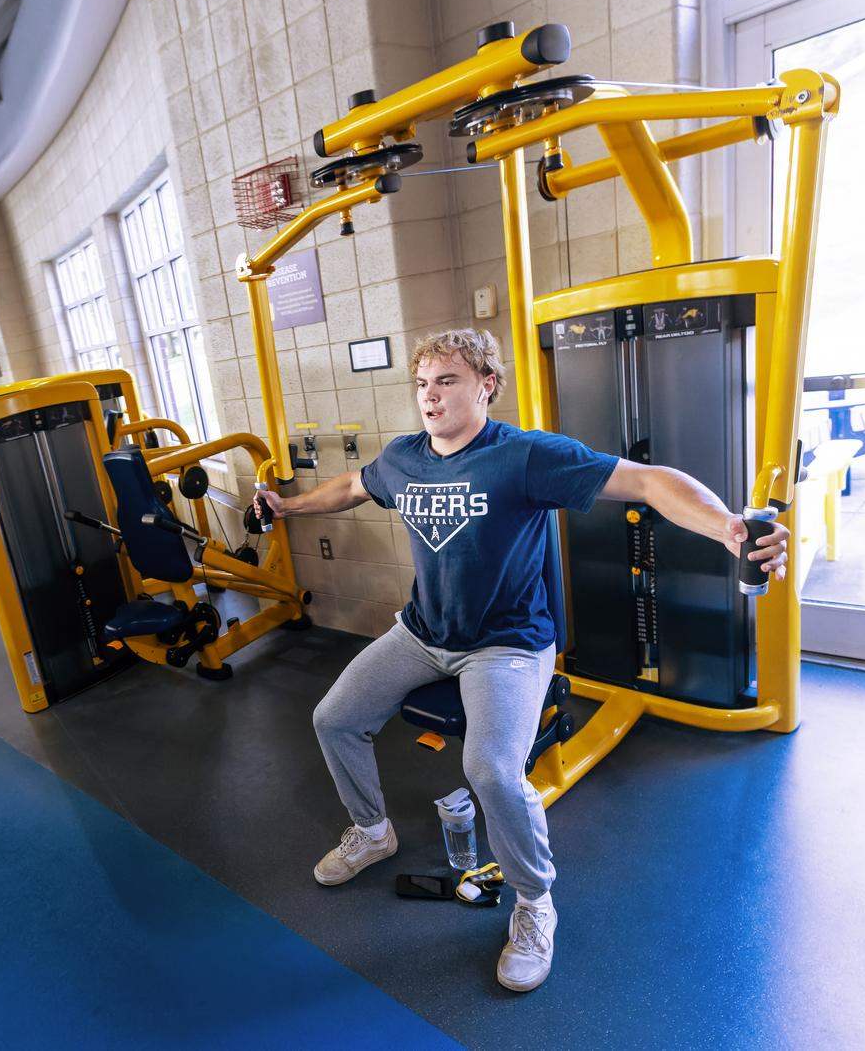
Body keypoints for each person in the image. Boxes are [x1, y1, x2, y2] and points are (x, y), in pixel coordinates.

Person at [252, 328, 788, 993]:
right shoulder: (403, 459)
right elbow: (350, 488)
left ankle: (536, 903)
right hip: (423, 632)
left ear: (486, 385)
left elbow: (648, 481)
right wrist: (288, 506)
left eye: (447, 380)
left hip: (507, 644)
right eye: (422, 383)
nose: (430, 395)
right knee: (334, 718)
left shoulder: (525, 457)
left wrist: (729, 527)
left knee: (490, 769)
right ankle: (372, 831)